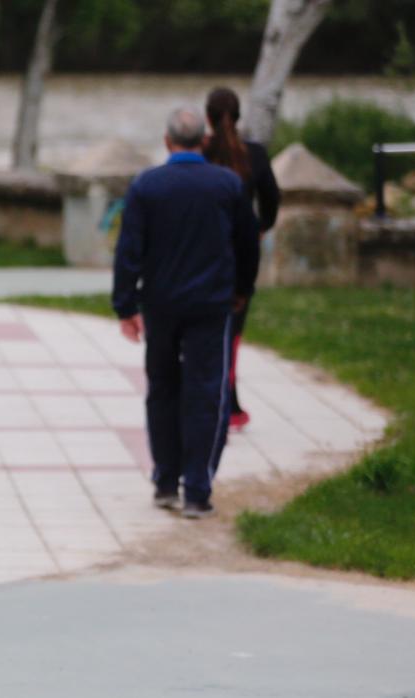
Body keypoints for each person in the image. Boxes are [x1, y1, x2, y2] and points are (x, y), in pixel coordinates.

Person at [112, 107, 259, 519]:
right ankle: (197, 489)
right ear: (204, 141)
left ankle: (164, 481)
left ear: (167, 141)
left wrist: (125, 304)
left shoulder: (147, 186)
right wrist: (242, 290)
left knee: (162, 387)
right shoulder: (227, 185)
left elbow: (129, 249)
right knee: (205, 392)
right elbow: (248, 243)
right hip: (212, 304)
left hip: (160, 304)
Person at [203, 86, 280, 431]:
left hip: (202, 254)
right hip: (241, 255)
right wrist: (261, 227)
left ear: (208, 117)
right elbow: (272, 200)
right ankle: (228, 404)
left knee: (202, 330)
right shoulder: (256, 155)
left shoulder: (201, 153)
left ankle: (212, 401)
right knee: (231, 333)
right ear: (238, 117)